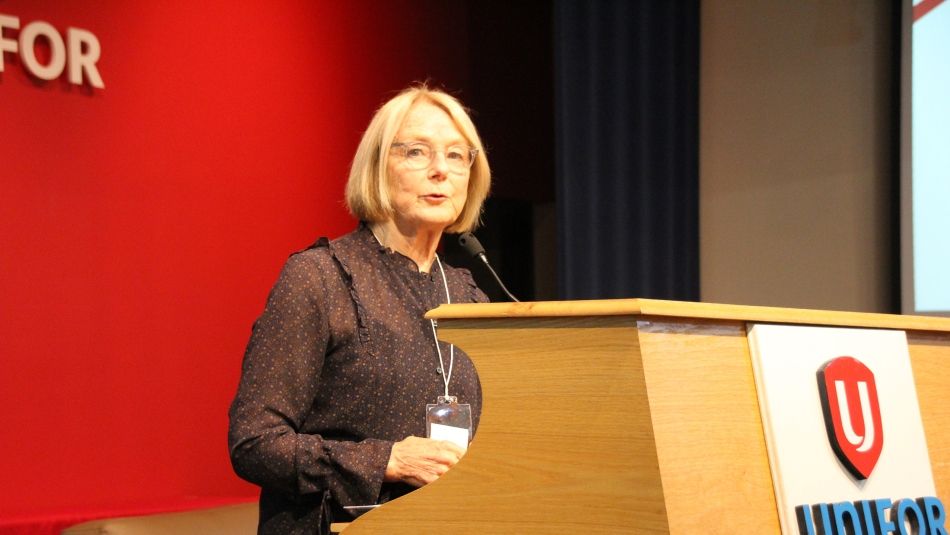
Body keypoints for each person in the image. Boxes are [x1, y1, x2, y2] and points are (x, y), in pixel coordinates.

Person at [228, 85, 492, 535]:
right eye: (416, 152)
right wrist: (385, 459)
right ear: (376, 167)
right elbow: (255, 442)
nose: (439, 171)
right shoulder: (320, 278)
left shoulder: (471, 298)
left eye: (456, 155)